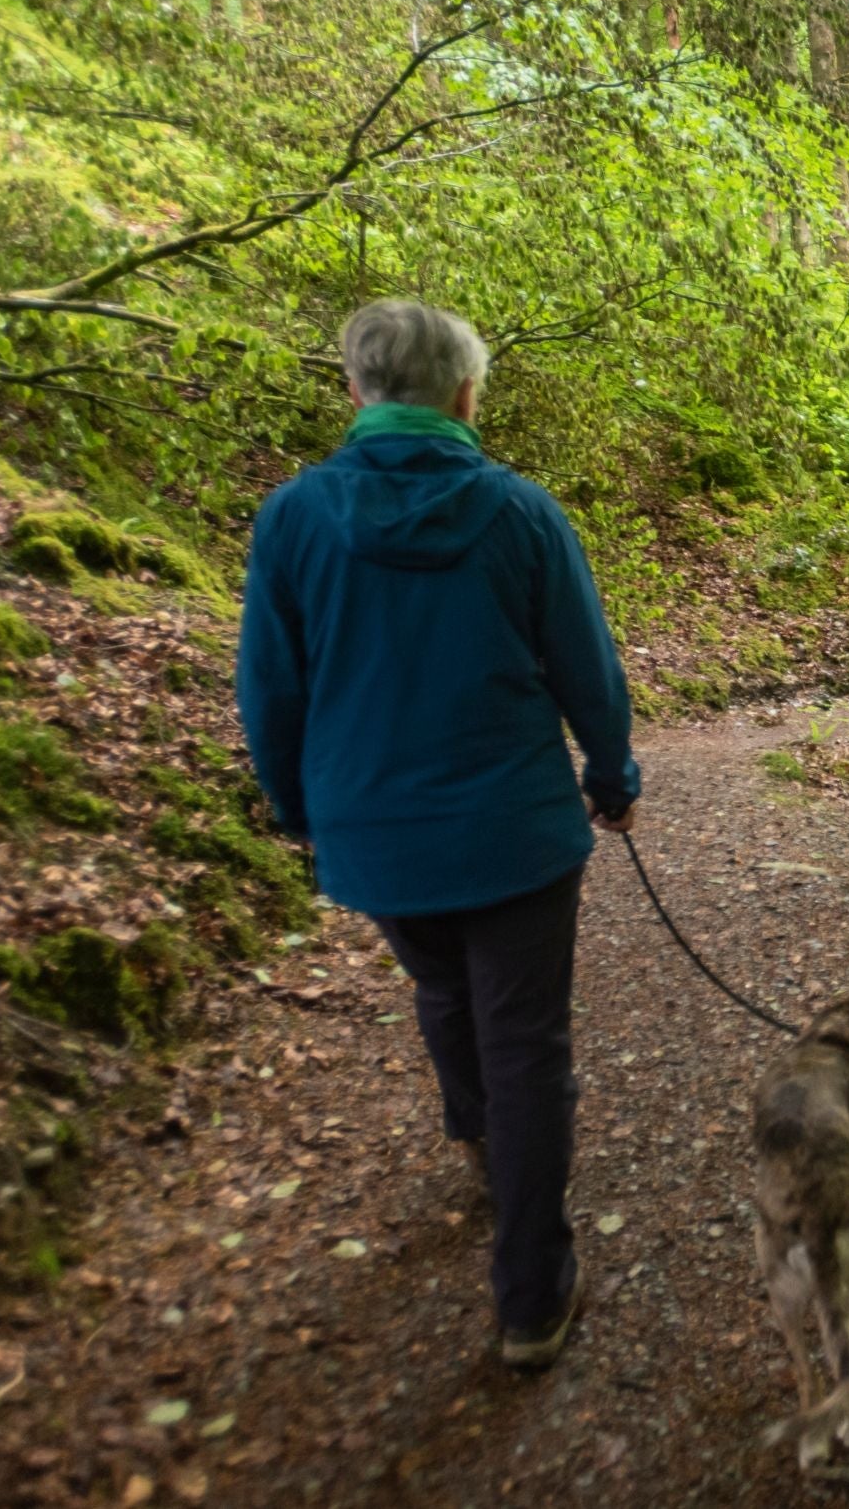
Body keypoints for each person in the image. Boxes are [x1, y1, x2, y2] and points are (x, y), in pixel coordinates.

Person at [236, 298, 640, 1371]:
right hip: (515, 834)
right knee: (527, 1042)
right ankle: (532, 1296)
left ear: (356, 392)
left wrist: (296, 811)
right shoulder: (521, 515)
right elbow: (587, 670)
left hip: (375, 837)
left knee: (445, 989)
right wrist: (611, 774)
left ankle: (478, 1138)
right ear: (466, 397)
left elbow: (270, 691)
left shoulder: (294, 519)